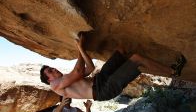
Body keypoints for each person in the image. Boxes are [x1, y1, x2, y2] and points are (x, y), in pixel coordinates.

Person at [40, 33, 186, 101]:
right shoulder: (55, 85)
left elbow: (89, 68)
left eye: (52, 68)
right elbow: (78, 71)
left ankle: (169, 70)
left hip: (100, 79)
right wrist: (79, 47)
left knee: (121, 51)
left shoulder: (65, 79)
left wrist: (81, 49)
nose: (54, 70)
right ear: (48, 79)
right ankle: (173, 71)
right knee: (136, 59)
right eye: (50, 71)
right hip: (102, 91)